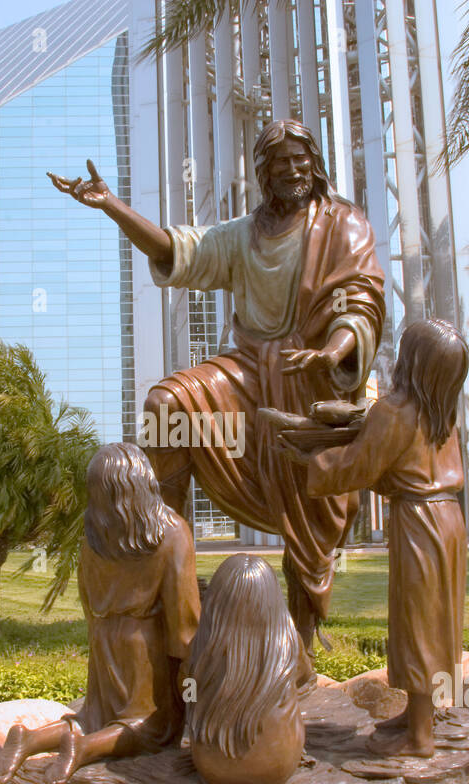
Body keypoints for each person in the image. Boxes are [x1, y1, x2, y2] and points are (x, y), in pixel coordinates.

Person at [46, 119, 385, 673]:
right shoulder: (243, 235)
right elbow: (178, 252)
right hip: (249, 372)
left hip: (316, 378)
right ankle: (163, 570)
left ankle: (297, 646)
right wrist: (111, 205)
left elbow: (361, 301)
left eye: (301, 159)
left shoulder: (343, 225)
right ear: (263, 173)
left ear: (314, 164)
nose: (293, 170)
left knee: (311, 502)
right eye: (279, 162)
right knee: (166, 404)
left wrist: (332, 352)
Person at [281, 318, 469, 757]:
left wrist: (309, 458)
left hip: (420, 523)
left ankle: (419, 739)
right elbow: (397, 470)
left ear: (413, 361)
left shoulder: (395, 411)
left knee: (419, 620)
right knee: (433, 618)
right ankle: (416, 716)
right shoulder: (442, 414)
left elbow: (358, 466)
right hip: (447, 520)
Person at [0, 443, 200, 784]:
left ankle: (29, 740)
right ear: (145, 480)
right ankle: (84, 749)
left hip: (103, 638)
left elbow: (87, 599)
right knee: (149, 728)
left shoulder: (94, 536)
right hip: (144, 647)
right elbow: (183, 629)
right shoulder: (171, 530)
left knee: (94, 716)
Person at [184, 554, 306, 784]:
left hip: (212, 767)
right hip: (279, 764)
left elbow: (187, 693)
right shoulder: (290, 641)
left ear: (215, 600)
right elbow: (303, 678)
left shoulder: (199, 646)